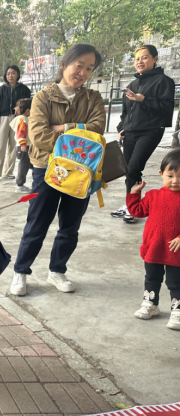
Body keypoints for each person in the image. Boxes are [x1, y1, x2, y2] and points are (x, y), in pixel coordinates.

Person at [10, 43, 106, 297]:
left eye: (89, 68)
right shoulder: (43, 97)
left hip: (82, 172)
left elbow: (98, 129)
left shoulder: (93, 98)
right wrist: (79, 134)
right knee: (37, 223)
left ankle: (57, 270)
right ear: (64, 64)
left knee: (70, 226)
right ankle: (21, 271)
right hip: (47, 169)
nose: (83, 73)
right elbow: (39, 136)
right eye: (79, 65)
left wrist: (63, 128)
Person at [112, 44, 176, 224]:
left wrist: (143, 99)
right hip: (130, 133)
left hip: (150, 131)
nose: (140, 61)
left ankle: (132, 207)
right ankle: (132, 204)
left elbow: (166, 108)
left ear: (155, 59)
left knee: (134, 167)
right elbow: (125, 114)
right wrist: (121, 129)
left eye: (145, 57)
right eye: (137, 59)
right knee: (129, 170)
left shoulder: (164, 81)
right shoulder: (131, 85)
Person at [126, 148, 180, 329]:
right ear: (161, 174)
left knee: (175, 282)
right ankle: (150, 303)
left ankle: (177, 310)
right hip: (154, 247)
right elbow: (137, 211)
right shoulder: (153, 196)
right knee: (152, 278)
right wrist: (134, 194)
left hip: (175, 250)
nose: (175, 181)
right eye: (170, 176)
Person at [0, 65, 31, 182]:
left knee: (13, 145)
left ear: (17, 74)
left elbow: (28, 104)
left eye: (13, 73)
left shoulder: (24, 89)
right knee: (0, 146)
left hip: (18, 118)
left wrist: (22, 110)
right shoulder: (0, 90)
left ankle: (8, 172)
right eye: (8, 74)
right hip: (3, 118)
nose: (10, 76)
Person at [10, 98, 33, 193]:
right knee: (23, 165)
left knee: (30, 165)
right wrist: (23, 144)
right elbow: (21, 132)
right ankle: (19, 185)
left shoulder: (25, 119)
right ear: (28, 110)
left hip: (26, 146)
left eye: (17, 106)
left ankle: (34, 183)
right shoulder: (22, 119)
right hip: (24, 147)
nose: (15, 108)